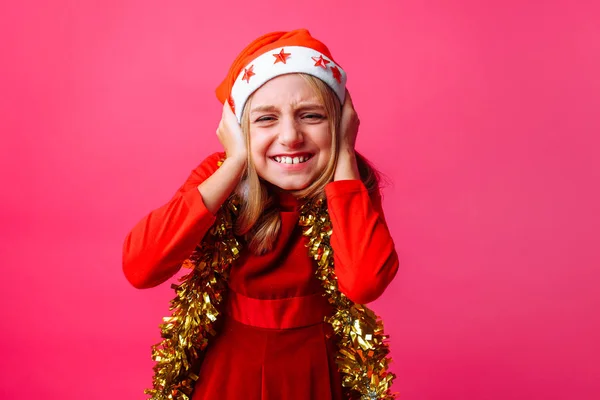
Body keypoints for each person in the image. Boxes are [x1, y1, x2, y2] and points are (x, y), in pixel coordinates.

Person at [123, 29, 399, 400]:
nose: (290, 136)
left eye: (312, 115)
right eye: (266, 119)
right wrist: (235, 162)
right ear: (237, 130)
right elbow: (140, 267)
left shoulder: (348, 184)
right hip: (231, 369)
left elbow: (365, 283)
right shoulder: (220, 178)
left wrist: (346, 156)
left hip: (316, 368)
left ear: (340, 123)